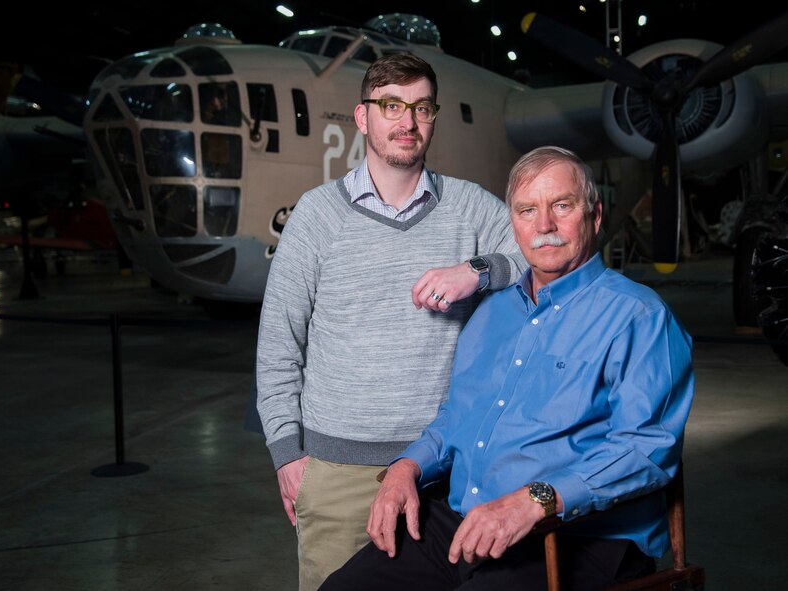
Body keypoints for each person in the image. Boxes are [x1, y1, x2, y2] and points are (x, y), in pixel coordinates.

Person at [319, 146, 695, 591]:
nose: (544, 227)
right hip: (463, 522)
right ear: (513, 224)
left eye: (561, 206)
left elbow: (647, 450)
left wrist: (538, 499)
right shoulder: (491, 314)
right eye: (527, 210)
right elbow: (455, 419)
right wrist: (407, 468)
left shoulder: (639, 317)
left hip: (577, 537)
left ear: (594, 215)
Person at [255, 52, 527, 591]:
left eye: (422, 108)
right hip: (337, 474)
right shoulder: (316, 215)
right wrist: (288, 456)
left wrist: (476, 271)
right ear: (363, 118)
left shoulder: (470, 208)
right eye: (391, 106)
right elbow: (278, 346)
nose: (407, 122)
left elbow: (537, 252)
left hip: (444, 472)